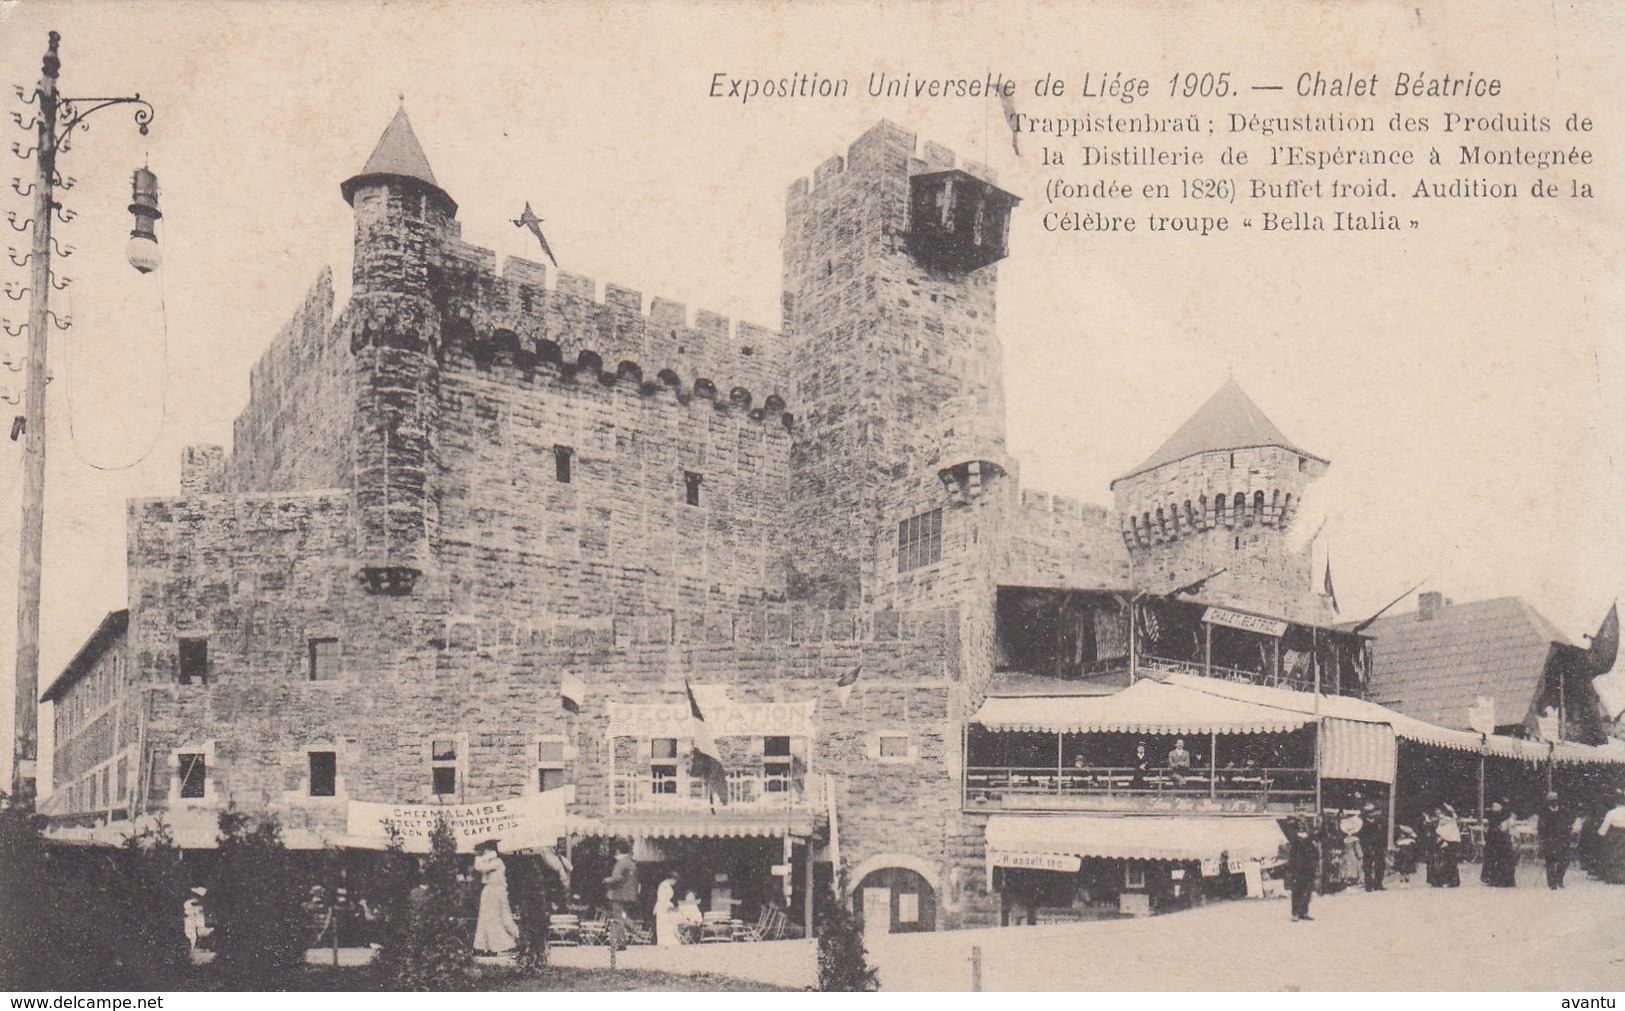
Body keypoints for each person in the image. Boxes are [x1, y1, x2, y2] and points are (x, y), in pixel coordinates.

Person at [472, 839, 520, 954]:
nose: (484, 852)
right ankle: (483, 946)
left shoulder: (497, 862)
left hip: (497, 892)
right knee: (485, 919)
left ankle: (504, 944)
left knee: (496, 918)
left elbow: (479, 866)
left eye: (486, 849)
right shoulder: (489, 861)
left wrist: (483, 857)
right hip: (489, 891)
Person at [1537, 791, 1574, 890]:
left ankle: (1559, 879)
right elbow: (1540, 828)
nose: (1553, 802)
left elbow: (1568, 825)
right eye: (1551, 800)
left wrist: (1567, 836)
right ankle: (1552, 882)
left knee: (1564, 861)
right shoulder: (1543, 812)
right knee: (1550, 862)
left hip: (1562, 840)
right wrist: (1544, 839)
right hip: (1549, 840)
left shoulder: (1563, 811)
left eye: (1555, 799)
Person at [603, 840, 640, 938]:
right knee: (621, 916)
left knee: (618, 917)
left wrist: (606, 880)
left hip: (618, 894)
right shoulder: (630, 862)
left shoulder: (621, 863)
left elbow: (616, 877)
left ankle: (634, 934)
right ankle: (629, 935)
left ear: (618, 850)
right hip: (629, 894)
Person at [1285, 822, 1318, 921]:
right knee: (1297, 891)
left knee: (1307, 891)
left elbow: (1315, 855)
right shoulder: (1295, 842)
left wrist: (1314, 866)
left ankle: (1304, 911)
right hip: (1299, 870)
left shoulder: (1311, 842)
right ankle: (1296, 912)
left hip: (1309, 869)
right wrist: (1293, 869)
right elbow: (1292, 857)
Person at [1480, 802, 1517, 888]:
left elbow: (1508, 829)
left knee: (1503, 859)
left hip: (1502, 841)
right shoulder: (1492, 817)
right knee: (1492, 859)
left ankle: (1503, 879)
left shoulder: (1506, 817)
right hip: (1494, 841)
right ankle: (1493, 878)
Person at [1596, 790, 1625, 884]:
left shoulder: (1611, 813)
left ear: (1615, 802)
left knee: (1613, 856)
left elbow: (1603, 829)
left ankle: (1614, 877)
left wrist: (1601, 834)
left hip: (1614, 837)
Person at [1359, 802, 1387, 891]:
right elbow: (1361, 835)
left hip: (1378, 844)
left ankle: (1377, 883)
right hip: (1368, 845)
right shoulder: (1362, 822)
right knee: (1368, 865)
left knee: (1379, 864)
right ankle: (1369, 884)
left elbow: (1383, 833)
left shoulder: (1380, 820)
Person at [1434, 804, 1462, 888]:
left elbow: (1455, 816)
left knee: (1451, 862)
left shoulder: (1452, 822)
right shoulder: (1440, 825)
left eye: (1443, 818)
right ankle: (1442, 881)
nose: (1442, 820)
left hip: (1452, 842)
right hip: (1444, 842)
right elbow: (1438, 833)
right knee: (1443, 862)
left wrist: (1451, 810)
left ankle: (1453, 881)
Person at [653, 873, 681, 946]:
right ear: (671, 879)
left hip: (666, 905)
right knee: (663, 925)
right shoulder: (664, 886)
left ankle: (669, 941)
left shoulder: (667, 885)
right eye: (674, 881)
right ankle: (664, 941)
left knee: (669, 924)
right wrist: (667, 906)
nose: (674, 883)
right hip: (662, 907)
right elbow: (662, 899)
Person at [182, 887, 211, 954]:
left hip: (198, 920)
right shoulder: (189, 904)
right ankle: (193, 948)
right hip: (191, 920)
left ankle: (196, 947)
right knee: (192, 936)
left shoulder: (201, 908)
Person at [1338, 814, 1364, 888]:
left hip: (1347, 854)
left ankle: (1348, 879)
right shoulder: (1355, 839)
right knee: (1353, 865)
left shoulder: (1346, 839)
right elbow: (1357, 847)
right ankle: (1352, 879)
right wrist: (1360, 855)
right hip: (1352, 854)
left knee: (1348, 866)